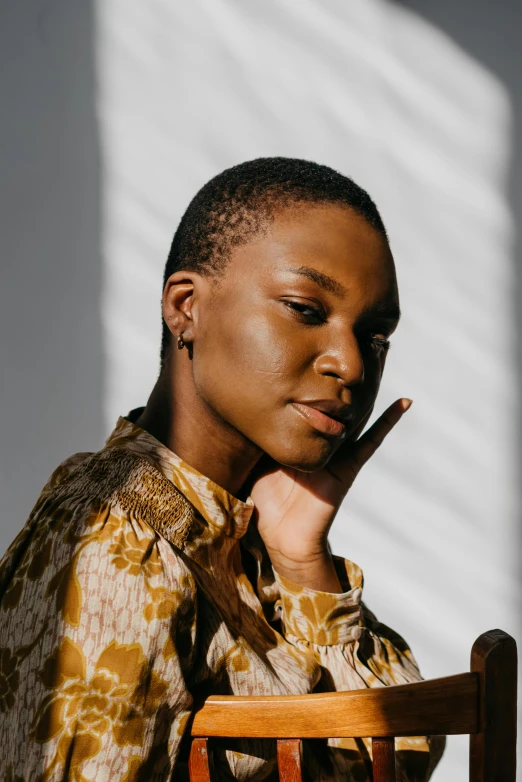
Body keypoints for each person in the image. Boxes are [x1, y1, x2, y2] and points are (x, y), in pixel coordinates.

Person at [0, 158, 444, 781]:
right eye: (305, 309)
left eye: (374, 335)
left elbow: (402, 761)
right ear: (187, 308)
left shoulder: (242, 535)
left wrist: (302, 563)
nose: (351, 364)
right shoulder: (119, 547)